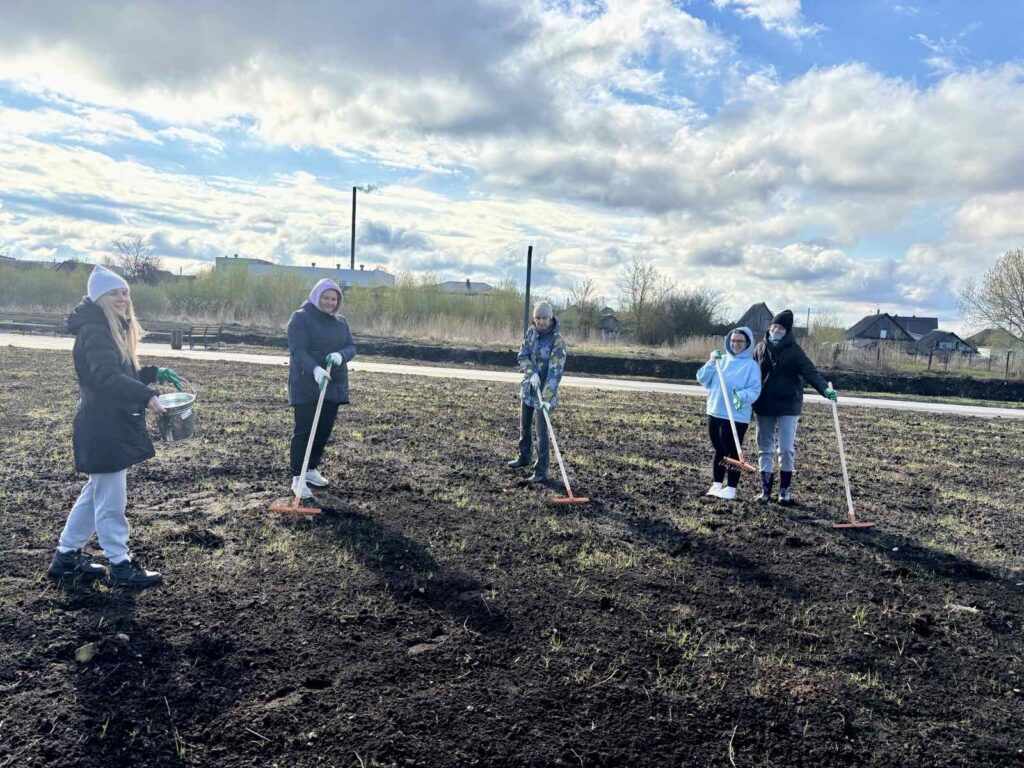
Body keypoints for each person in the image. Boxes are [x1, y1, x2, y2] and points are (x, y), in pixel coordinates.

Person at [48, 265, 183, 588]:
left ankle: (66, 556)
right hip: (103, 428)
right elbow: (106, 379)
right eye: (115, 293)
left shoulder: (106, 327)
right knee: (110, 500)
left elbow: (116, 371)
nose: (123, 298)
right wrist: (148, 396)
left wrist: (150, 373)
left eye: (125, 292)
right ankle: (120, 565)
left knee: (96, 493)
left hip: (107, 424)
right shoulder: (95, 330)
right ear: (100, 298)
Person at [752, 309, 838, 504]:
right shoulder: (759, 349)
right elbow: (750, 374)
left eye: (780, 328)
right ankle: (765, 491)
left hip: (788, 405)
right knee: (764, 448)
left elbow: (810, 372)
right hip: (763, 404)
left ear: (787, 331)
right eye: (774, 326)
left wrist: (825, 390)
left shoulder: (795, 351)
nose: (776, 330)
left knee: (786, 449)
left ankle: (784, 491)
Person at [286, 278, 356, 499]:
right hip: (307, 383)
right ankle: (298, 476)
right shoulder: (300, 318)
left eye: (333, 299)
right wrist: (315, 369)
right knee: (305, 430)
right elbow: (298, 350)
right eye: (325, 297)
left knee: (324, 429)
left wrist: (340, 355)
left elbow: (351, 347)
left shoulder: (341, 322)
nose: (329, 302)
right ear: (316, 297)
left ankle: (311, 469)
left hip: (333, 384)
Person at [695, 326, 762, 500]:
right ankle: (717, 485)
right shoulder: (720, 361)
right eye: (733, 341)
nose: (736, 344)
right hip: (715, 411)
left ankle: (731, 488)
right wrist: (710, 362)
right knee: (718, 449)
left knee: (733, 452)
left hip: (736, 416)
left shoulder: (751, 366)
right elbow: (702, 379)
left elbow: (755, 389)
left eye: (740, 341)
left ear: (747, 343)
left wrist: (741, 396)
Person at [507, 302, 567, 483]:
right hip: (529, 388)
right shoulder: (530, 333)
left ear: (550, 318)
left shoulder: (558, 342)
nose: (541, 322)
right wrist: (531, 372)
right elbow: (522, 355)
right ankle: (524, 457)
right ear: (534, 318)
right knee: (524, 426)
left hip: (545, 394)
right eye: (538, 318)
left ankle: (542, 472)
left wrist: (547, 399)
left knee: (541, 432)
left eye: (544, 318)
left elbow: (554, 374)